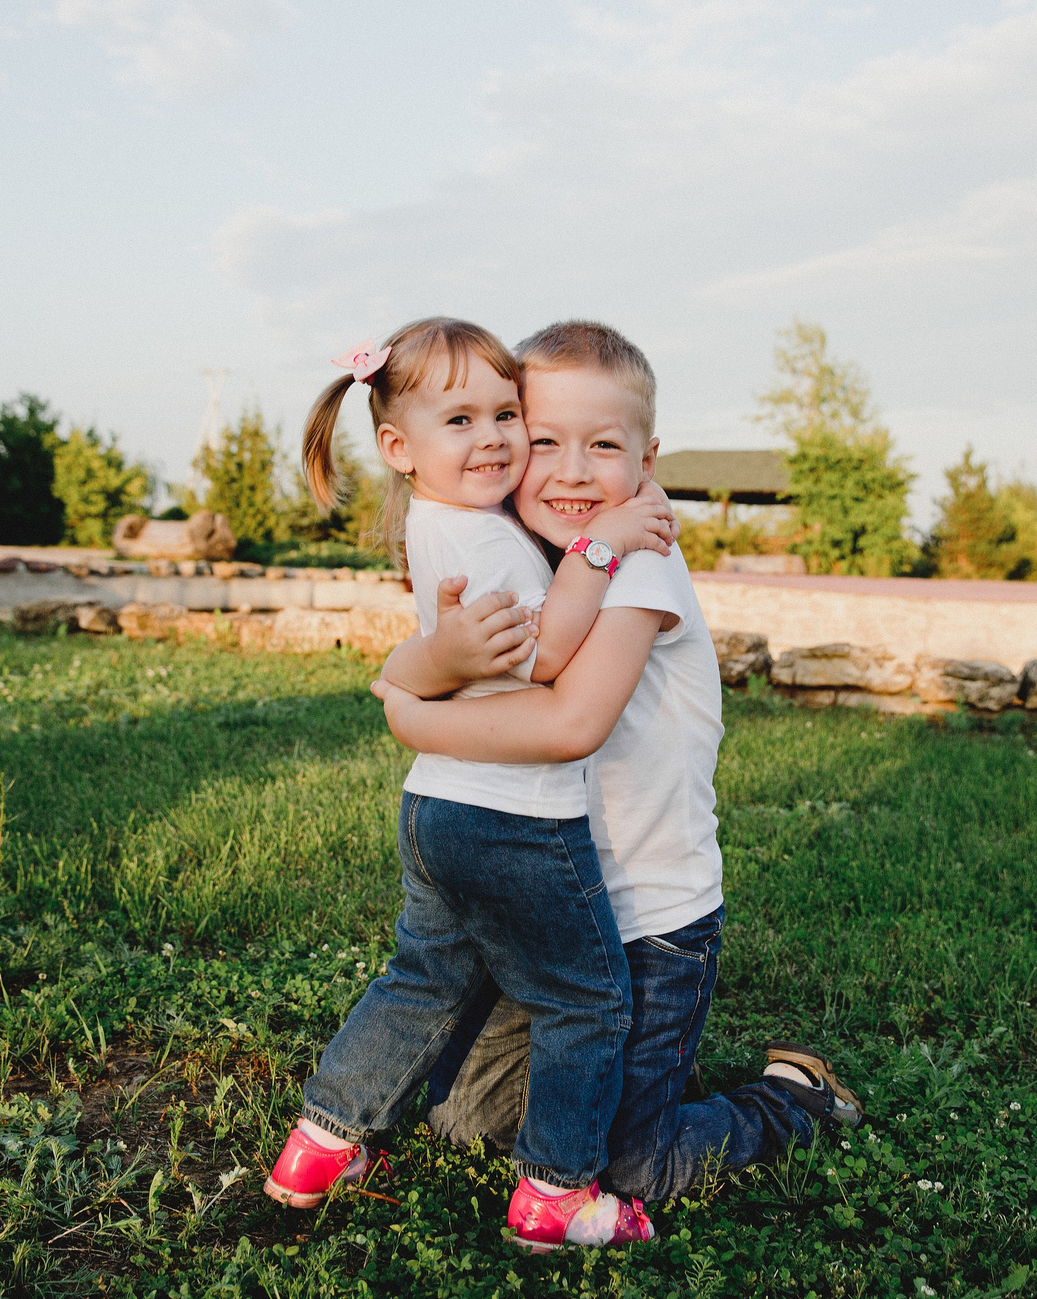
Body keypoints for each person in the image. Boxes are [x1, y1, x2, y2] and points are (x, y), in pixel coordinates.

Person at [372, 320, 864, 1215]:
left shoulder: (639, 559)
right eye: (542, 438)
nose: (568, 470)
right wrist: (415, 676)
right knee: (467, 1118)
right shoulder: (533, 562)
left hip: (649, 918)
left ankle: (791, 1097)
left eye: (603, 445)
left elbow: (570, 720)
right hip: (552, 907)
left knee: (631, 1167)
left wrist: (414, 720)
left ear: (648, 456)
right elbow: (418, 658)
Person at [259, 317, 677, 1251]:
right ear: (400, 449)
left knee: (422, 977)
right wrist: (601, 546)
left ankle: (321, 1143)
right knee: (587, 1000)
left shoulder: (441, 523)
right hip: (519, 817)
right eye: (461, 420)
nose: (491, 438)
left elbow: (445, 661)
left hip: (435, 805)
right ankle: (557, 1192)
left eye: (504, 414)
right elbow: (549, 653)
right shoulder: (488, 545)